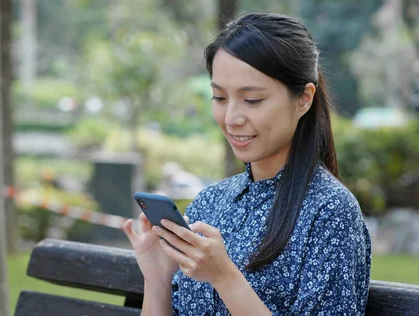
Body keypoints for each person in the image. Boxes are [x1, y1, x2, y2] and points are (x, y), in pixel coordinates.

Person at [123, 12, 371, 316]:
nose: (231, 119)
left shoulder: (330, 212)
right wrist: (158, 278)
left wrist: (225, 277)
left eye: (252, 100)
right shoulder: (209, 203)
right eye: (219, 97)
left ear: (304, 99)